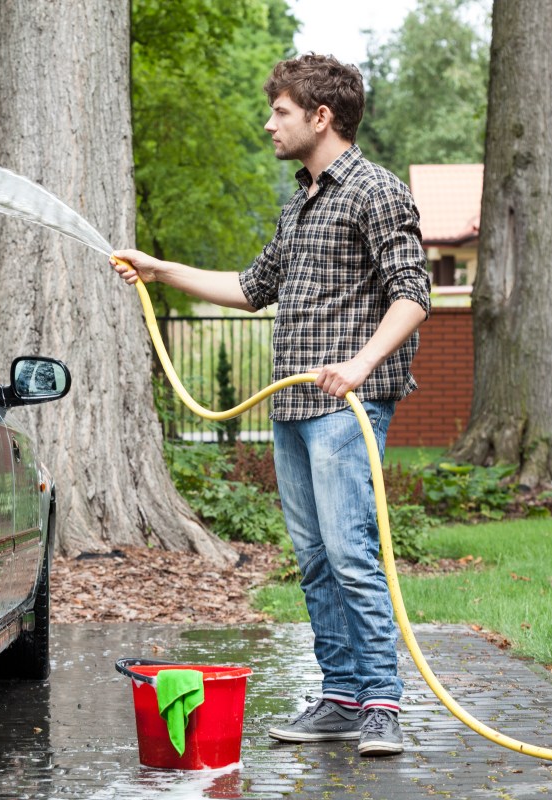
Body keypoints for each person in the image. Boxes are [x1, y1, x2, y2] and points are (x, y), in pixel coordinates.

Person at [111, 53, 430, 757]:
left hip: (347, 412)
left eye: (280, 111)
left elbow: (413, 294)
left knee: (352, 557)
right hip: (290, 413)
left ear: (321, 117)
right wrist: (161, 270)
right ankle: (342, 696)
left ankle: (381, 703)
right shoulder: (301, 200)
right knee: (315, 561)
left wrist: (358, 363)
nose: (269, 122)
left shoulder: (377, 192)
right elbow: (252, 287)